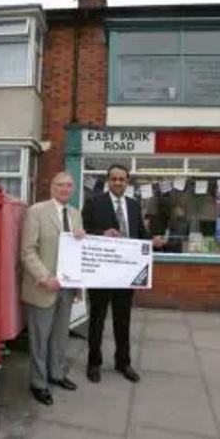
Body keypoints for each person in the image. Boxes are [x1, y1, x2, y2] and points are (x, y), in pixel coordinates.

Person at [82, 164, 164, 384]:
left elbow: (140, 234)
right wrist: (102, 233)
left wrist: (151, 241)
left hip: (126, 274)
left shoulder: (134, 205)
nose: (118, 182)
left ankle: (123, 362)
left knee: (123, 320)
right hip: (101, 272)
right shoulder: (93, 203)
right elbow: (83, 233)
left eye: (122, 179)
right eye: (114, 179)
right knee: (97, 320)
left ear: (127, 182)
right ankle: (94, 363)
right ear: (108, 181)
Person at [21, 171, 84, 405]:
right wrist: (44, 277)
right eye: (60, 184)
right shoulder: (36, 211)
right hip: (43, 287)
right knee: (40, 339)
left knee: (59, 336)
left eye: (69, 185)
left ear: (73, 189)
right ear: (51, 187)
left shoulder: (76, 214)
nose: (65, 189)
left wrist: (78, 285)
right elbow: (27, 250)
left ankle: (56, 374)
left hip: (67, 288)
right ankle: (38, 383)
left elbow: (78, 253)